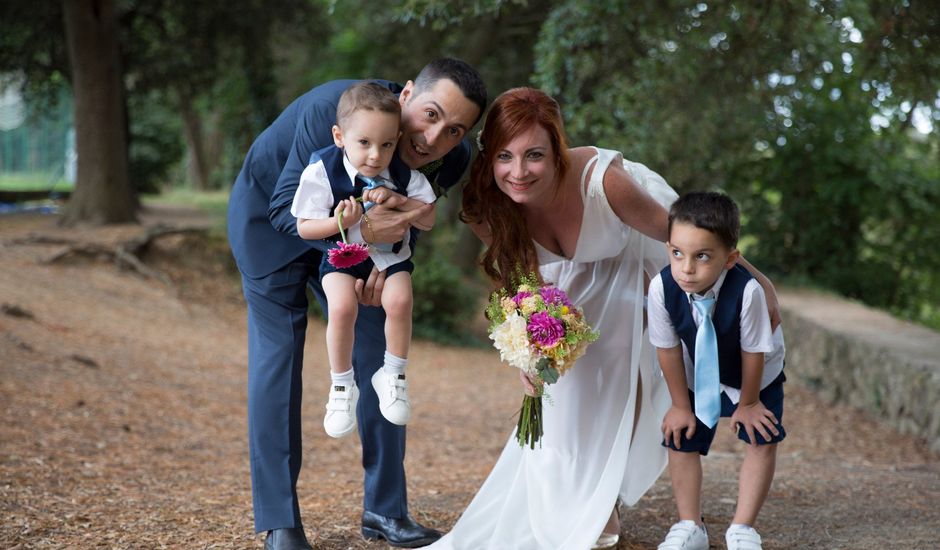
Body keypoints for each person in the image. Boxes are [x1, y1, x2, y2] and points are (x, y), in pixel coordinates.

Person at [427, 87, 779, 550]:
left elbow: (677, 236)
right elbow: (522, 285)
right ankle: (571, 499)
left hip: (633, 259)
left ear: (557, 150)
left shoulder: (604, 180)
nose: (518, 172)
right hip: (562, 282)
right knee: (564, 392)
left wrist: (756, 281)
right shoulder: (484, 206)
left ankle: (604, 498)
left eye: (534, 155)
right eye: (504, 157)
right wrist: (527, 354)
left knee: (616, 370)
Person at [227, 58, 486, 550]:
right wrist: (359, 243)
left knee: (383, 359)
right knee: (278, 359)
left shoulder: (452, 158)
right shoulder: (334, 108)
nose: (434, 139)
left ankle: (385, 511)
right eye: (430, 115)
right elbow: (287, 212)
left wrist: (381, 266)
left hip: (361, 249)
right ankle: (280, 520)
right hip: (271, 226)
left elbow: (411, 219)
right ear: (407, 93)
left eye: (454, 130)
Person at [291, 82, 437, 437]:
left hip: (391, 259)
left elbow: (428, 219)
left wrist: (399, 201)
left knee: (401, 300)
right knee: (340, 309)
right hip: (344, 258)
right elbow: (304, 227)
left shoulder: (404, 175)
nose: (375, 155)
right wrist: (343, 221)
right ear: (340, 136)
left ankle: (393, 373)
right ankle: (342, 386)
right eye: (364, 143)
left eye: (386, 144)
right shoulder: (323, 171)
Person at [647, 191, 786, 550]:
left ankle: (742, 528)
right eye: (677, 253)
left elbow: (753, 351)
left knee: (761, 436)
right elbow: (667, 348)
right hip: (696, 369)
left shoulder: (749, 292)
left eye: (702, 256)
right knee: (681, 437)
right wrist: (680, 404)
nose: (687, 268)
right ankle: (690, 525)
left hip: (754, 373)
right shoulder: (662, 287)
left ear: (730, 259)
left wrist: (750, 402)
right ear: (668, 248)